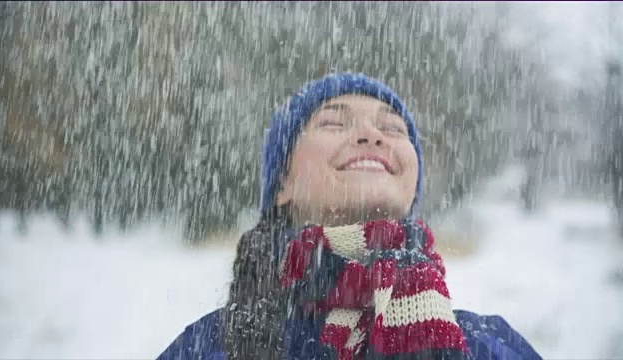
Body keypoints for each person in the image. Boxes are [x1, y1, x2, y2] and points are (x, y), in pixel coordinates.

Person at [157, 73, 542, 360]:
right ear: (282, 185)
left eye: (392, 128)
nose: (371, 135)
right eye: (332, 123)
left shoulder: (493, 344)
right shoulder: (206, 347)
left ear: (412, 191)